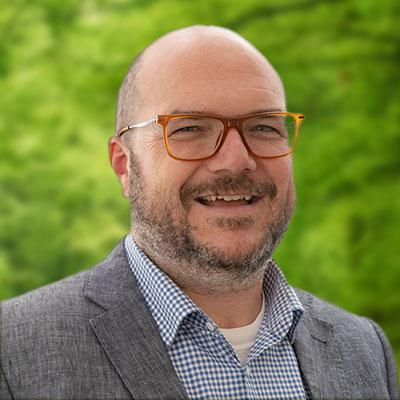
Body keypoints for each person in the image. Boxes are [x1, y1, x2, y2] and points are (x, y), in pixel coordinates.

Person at [0, 25, 398, 400]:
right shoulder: (14, 349)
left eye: (263, 127)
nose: (236, 160)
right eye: (189, 128)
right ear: (124, 165)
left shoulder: (365, 350)